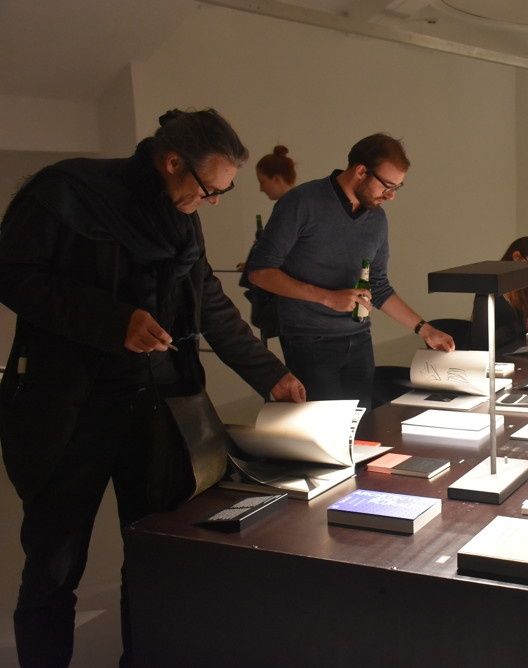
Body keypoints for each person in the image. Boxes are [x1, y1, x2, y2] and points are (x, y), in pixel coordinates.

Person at [0, 108, 306, 667]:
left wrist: (271, 374)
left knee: (152, 556)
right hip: (70, 410)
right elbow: (14, 277)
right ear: (171, 162)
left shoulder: (179, 216)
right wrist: (113, 321)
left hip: (157, 409)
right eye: (210, 190)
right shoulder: (64, 194)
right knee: (53, 566)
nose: (213, 202)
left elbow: (209, 299)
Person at [245, 133, 455, 407]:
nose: (391, 196)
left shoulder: (377, 219)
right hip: (307, 340)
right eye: (387, 186)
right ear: (361, 171)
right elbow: (259, 272)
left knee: (364, 424)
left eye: (397, 188)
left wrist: (425, 330)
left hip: (359, 339)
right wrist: (327, 297)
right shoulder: (301, 202)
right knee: (327, 428)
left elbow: (378, 285)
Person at [239, 145, 298, 346]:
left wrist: (260, 266)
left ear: (277, 179)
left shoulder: (290, 207)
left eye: (262, 182)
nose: (261, 188)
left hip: (292, 302)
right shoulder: (294, 204)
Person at [471, 236, 528, 350]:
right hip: (500, 354)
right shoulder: (489, 289)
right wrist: (524, 324)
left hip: (527, 349)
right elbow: (482, 342)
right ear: (516, 256)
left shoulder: (527, 285)